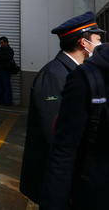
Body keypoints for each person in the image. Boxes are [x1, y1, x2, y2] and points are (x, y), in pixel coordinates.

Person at [19, 11, 105, 203]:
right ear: (84, 43)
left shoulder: (76, 72)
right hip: (55, 181)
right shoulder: (53, 75)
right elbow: (54, 134)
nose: (100, 45)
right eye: (98, 40)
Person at [40, 41, 108, 209]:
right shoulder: (85, 77)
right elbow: (62, 150)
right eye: (96, 37)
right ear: (84, 42)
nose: (99, 41)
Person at [0, 36, 15, 105]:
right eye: (0, 43)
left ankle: (8, 102)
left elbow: (7, 57)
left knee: (6, 86)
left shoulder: (9, 50)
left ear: (6, 42)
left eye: (2, 42)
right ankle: (1, 101)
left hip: (5, 71)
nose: (1, 44)